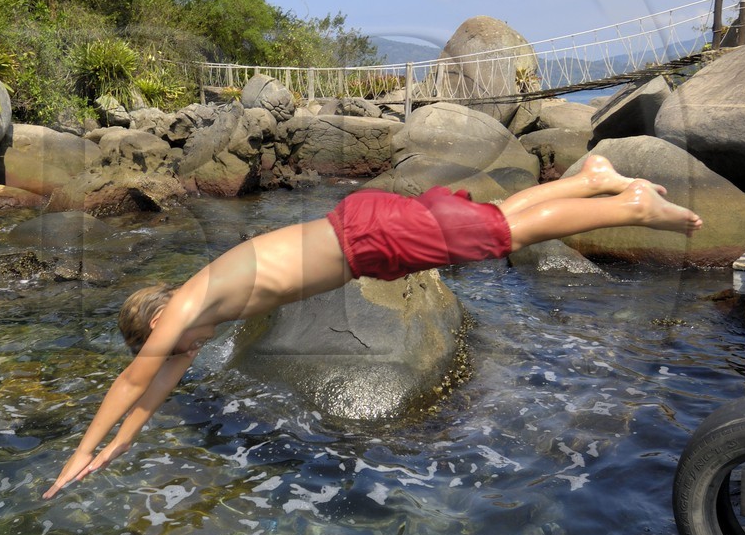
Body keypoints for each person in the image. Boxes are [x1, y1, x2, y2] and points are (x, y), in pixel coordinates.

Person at [44, 155, 703, 498]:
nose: (180, 355)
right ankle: (591, 179)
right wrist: (111, 453)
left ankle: (632, 203)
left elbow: (133, 382)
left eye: (168, 347)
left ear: (157, 322)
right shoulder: (196, 317)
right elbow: (150, 396)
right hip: (364, 233)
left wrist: (79, 449)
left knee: (500, 232)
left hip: (368, 238)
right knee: (490, 218)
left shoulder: (186, 309)